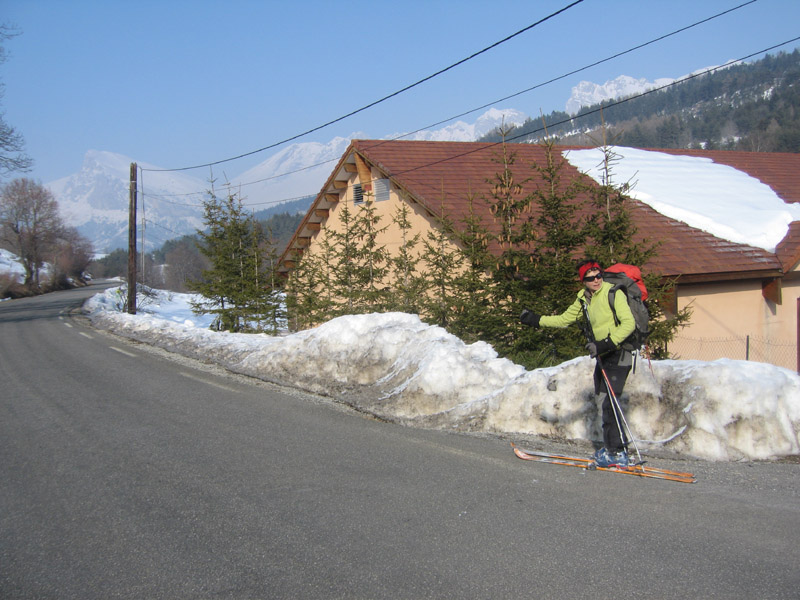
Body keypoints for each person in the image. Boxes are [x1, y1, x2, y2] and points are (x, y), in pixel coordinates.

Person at [520, 259, 636, 467]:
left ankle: (618, 453)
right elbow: (564, 319)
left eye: (599, 275)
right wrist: (536, 320)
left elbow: (629, 323)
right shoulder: (583, 298)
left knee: (610, 403)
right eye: (590, 278)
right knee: (602, 400)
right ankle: (611, 447)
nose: (596, 280)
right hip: (603, 355)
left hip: (619, 353)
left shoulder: (613, 293)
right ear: (583, 280)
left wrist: (606, 343)